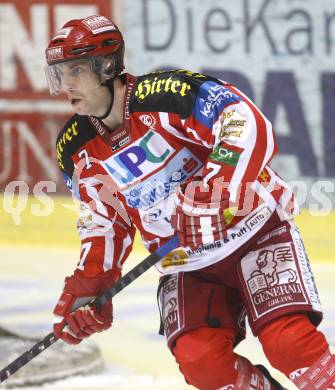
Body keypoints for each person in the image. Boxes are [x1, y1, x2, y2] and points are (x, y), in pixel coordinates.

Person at [45, 15, 335, 390]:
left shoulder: (168, 93)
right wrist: (88, 288)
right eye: (58, 73)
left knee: (290, 344)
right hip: (186, 262)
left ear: (108, 65)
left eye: (76, 70)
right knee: (202, 363)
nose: (64, 85)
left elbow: (242, 119)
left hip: (256, 232)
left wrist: (214, 189)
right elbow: (105, 223)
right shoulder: (75, 148)